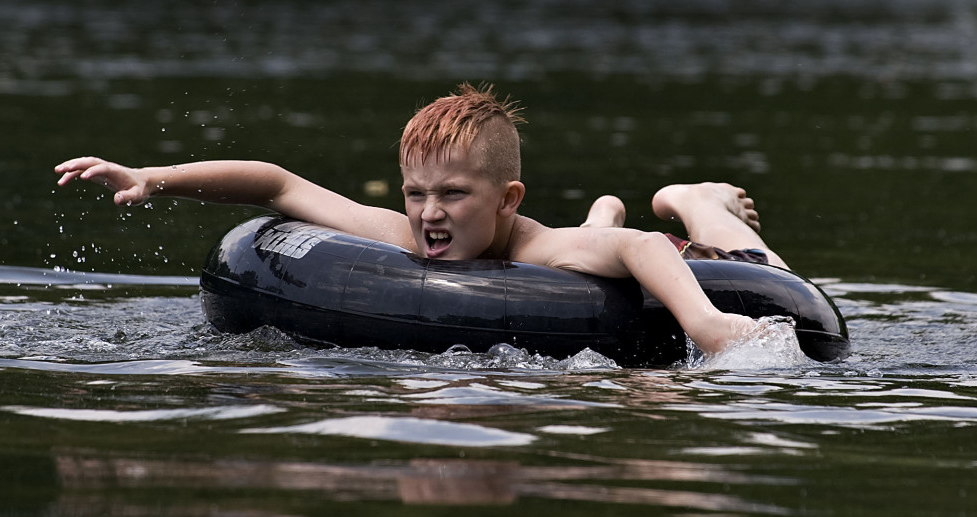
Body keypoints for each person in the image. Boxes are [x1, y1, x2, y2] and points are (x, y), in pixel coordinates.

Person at [55, 83, 787, 356]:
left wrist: (706, 324)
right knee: (597, 233)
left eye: (454, 196)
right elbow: (277, 184)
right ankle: (607, 208)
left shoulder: (543, 248)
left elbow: (641, 249)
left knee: (767, 269)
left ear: (508, 201)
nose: (429, 214)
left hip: (697, 259)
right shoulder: (400, 232)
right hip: (587, 240)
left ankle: (701, 201)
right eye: (416, 193)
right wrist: (152, 178)